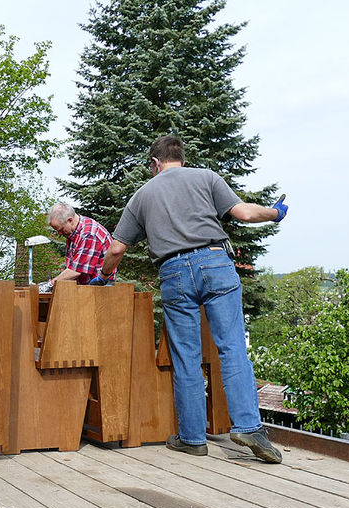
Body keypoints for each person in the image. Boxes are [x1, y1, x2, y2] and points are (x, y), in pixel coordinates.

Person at [93, 135, 287, 463]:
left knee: (186, 357)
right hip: (215, 262)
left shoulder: (142, 195)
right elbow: (243, 214)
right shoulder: (206, 178)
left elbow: (116, 248)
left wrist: (104, 276)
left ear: (155, 164)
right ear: (181, 158)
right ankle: (249, 427)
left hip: (173, 273)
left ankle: (193, 438)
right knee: (232, 348)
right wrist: (275, 213)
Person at [45, 202, 117, 287]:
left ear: (70, 220)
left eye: (61, 229)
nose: (60, 233)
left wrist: (50, 285)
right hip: (88, 287)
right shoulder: (74, 233)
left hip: (100, 289)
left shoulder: (88, 234)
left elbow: (76, 270)